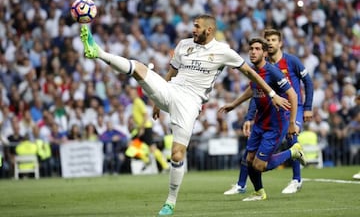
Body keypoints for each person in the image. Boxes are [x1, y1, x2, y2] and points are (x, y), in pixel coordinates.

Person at [79, 14, 291, 216]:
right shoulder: (184, 44)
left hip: (190, 103)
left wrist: (272, 93)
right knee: (139, 68)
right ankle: (98, 52)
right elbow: (172, 72)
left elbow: (250, 73)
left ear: (209, 30)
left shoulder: (223, 51)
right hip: (171, 90)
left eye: (197, 26)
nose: (193, 29)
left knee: (177, 155)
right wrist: (156, 99)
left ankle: (170, 202)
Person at [224, 28, 313, 195]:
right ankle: (251, 189)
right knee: (249, 158)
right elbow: (253, 90)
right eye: (251, 49)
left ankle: (295, 172)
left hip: (277, 121)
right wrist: (236, 105)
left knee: (264, 160)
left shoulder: (280, 67)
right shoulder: (255, 70)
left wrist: (304, 110)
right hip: (261, 121)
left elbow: (294, 93)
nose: (253, 52)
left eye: (257, 49)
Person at [127, 86, 169, 172]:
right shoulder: (135, 102)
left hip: (145, 127)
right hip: (142, 127)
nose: (130, 95)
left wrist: (141, 128)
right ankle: (149, 161)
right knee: (135, 145)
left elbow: (145, 115)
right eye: (129, 93)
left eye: (131, 93)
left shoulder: (138, 102)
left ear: (135, 94)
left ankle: (162, 165)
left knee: (149, 147)